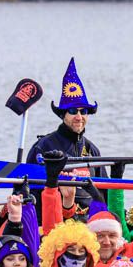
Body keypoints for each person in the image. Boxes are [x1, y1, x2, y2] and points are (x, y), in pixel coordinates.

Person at [27, 58, 105, 214]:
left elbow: (104, 194)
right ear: (62, 114)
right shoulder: (43, 147)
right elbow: (30, 195)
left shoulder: (92, 150)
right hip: (54, 221)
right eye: (72, 111)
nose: (79, 117)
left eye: (83, 111)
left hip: (89, 224)